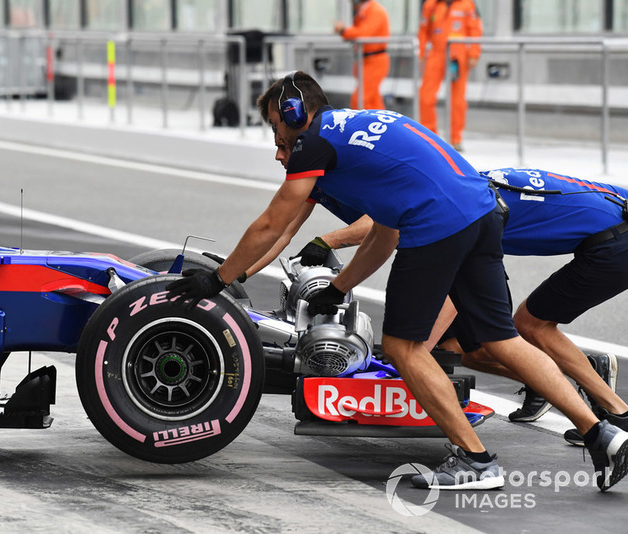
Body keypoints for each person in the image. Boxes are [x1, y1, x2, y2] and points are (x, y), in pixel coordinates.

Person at [166, 70, 628, 491]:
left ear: (293, 111)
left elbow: (272, 224)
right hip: (483, 213)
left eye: (275, 124)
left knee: (406, 348)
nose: (276, 138)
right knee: (502, 338)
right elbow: (381, 232)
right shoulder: (360, 130)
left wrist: (218, 281)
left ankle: (476, 462)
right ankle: (602, 434)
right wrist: (338, 287)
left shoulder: (314, 142)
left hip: (440, 225)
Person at [434, 168, 628, 447]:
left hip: (614, 244)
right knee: (495, 339)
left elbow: (454, 279)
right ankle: (561, 381)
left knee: (529, 326)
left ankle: (614, 409)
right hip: (612, 232)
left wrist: (413, 347)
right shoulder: (478, 181)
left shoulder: (460, 208)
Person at [418, 0, 482, 151]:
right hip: (436, 53)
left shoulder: (467, 5)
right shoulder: (430, 5)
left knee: (457, 100)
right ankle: (429, 137)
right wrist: (421, 53)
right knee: (426, 96)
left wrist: (474, 53)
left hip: (458, 55)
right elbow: (423, 30)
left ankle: (456, 139)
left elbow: (475, 30)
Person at [333, 0, 390, 110]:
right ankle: (383, 125)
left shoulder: (375, 11)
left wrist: (344, 31)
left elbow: (363, 33)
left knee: (361, 100)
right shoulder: (365, 11)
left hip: (375, 60)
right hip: (366, 60)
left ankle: (365, 126)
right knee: (373, 101)